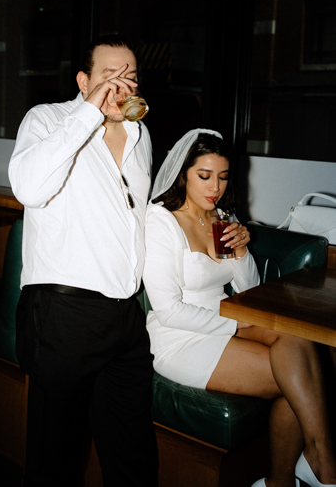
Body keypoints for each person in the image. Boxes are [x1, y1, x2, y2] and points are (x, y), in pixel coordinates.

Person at [143, 128, 336, 487]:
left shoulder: (220, 216)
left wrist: (244, 251)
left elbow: (250, 291)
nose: (213, 187)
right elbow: (168, 310)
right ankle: (309, 469)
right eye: (203, 176)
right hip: (179, 337)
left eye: (222, 177)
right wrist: (236, 325)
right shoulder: (161, 222)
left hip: (230, 319)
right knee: (294, 380)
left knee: (295, 338)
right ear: (183, 174)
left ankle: (307, 466)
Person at [8, 34, 158, 487]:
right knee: (56, 458)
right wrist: (87, 112)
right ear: (83, 80)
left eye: (129, 76)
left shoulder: (139, 134)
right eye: (109, 76)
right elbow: (29, 188)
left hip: (125, 318)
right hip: (63, 314)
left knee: (133, 457)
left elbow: (134, 217)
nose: (120, 86)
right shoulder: (49, 119)